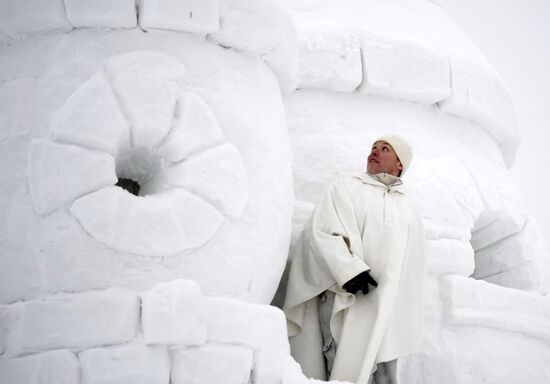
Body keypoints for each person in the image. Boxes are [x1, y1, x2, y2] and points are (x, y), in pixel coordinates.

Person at [283, 134, 426, 384]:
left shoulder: (409, 209)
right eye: (373, 147)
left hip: (384, 304)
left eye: (385, 149)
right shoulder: (346, 188)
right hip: (345, 293)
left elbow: (411, 266)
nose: (375, 152)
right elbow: (323, 232)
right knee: (338, 362)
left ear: (400, 164)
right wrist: (350, 271)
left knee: (380, 369)